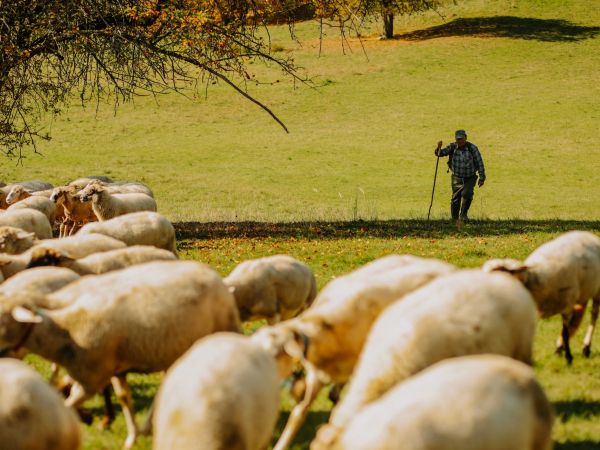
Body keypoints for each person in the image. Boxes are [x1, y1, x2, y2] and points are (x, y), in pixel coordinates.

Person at [434, 129, 486, 223]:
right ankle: (454, 218)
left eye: (462, 139)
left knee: (467, 193)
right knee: (455, 198)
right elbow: (440, 154)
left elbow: (479, 162)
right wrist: (438, 148)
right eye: (458, 139)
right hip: (456, 177)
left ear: (466, 138)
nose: (460, 141)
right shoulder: (452, 147)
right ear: (456, 139)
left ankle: (463, 215)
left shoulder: (472, 148)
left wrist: (482, 177)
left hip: (470, 177)